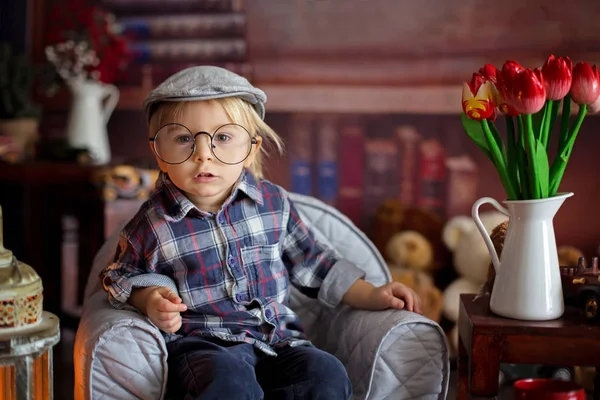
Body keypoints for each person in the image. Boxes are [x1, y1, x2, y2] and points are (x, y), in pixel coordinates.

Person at [100, 65, 423, 400]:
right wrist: (150, 298)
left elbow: (317, 264)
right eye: (183, 138)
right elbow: (120, 276)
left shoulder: (273, 204)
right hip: (205, 347)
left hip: (278, 342)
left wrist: (372, 295)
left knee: (326, 374)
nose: (203, 154)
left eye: (223, 137)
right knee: (229, 383)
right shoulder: (153, 222)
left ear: (251, 149)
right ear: (159, 154)